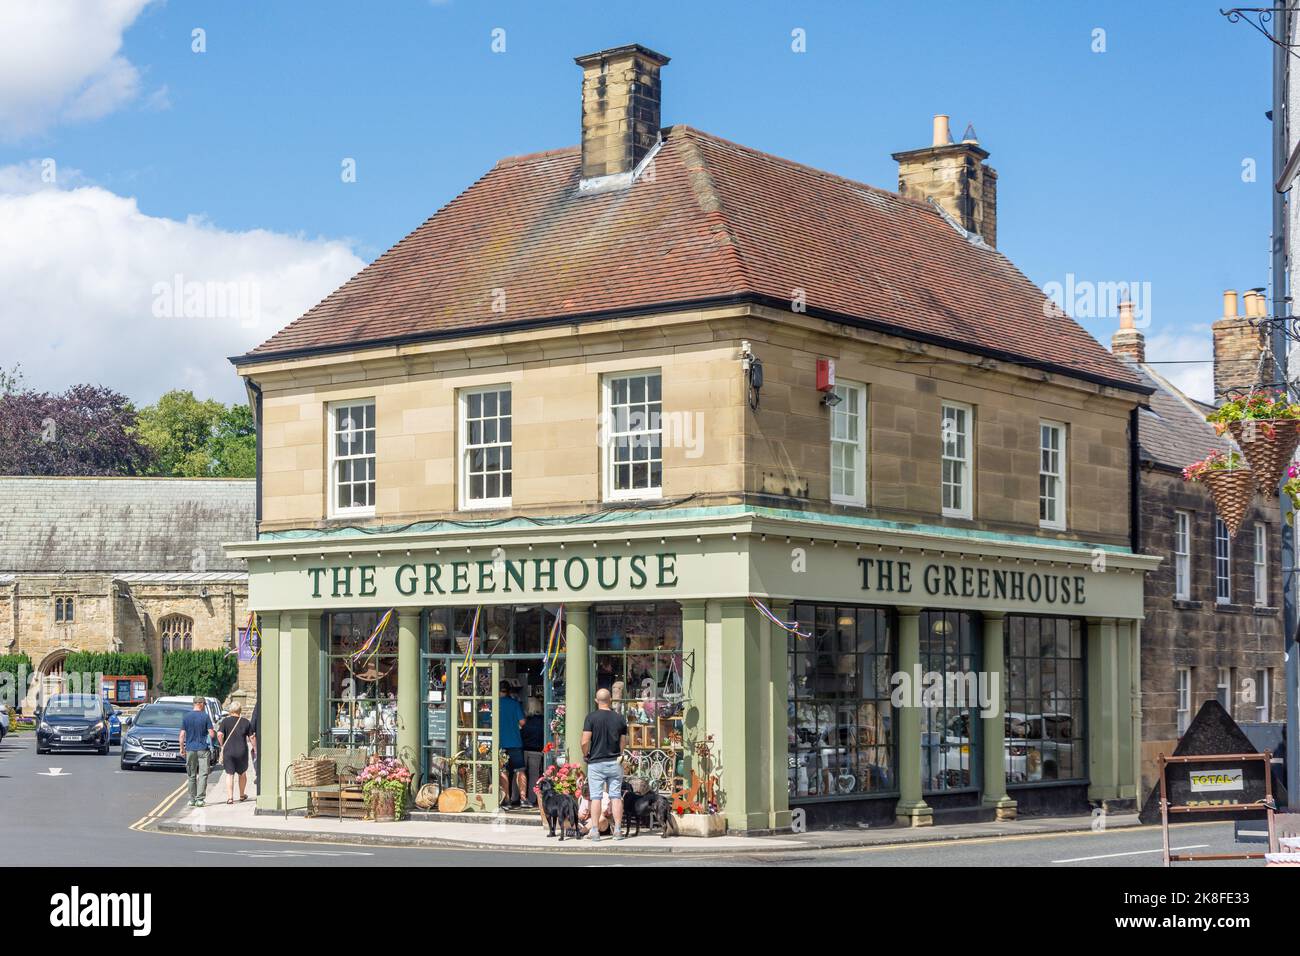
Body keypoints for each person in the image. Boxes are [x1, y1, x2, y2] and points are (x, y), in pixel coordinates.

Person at [581, 688, 628, 842]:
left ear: (596, 701)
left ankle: (595, 831)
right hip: (615, 762)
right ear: (611, 701)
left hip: (596, 762)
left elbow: (585, 741)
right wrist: (620, 754)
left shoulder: (591, 718)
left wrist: (585, 753)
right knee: (615, 796)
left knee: (596, 797)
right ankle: (618, 831)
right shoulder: (619, 718)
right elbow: (623, 742)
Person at [178, 696, 215, 808]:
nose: (204, 706)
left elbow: (182, 735)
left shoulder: (186, 717)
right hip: (203, 749)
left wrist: (181, 748)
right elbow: (212, 734)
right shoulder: (205, 717)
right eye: (204, 704)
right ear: (200, 703)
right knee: (203, 774)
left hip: (190, 749)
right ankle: (200, 800)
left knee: (191, 775)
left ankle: (192, 799)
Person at [217, 701, 256, 804]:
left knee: (229, 774)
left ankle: (230, 798)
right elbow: (252, 737)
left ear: (231, 710)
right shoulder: (245, 722)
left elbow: (220, 734)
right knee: (242, 773)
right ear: (240, 710)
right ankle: (242, 795)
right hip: (241, 751)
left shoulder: (225, 721)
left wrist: (222, 745)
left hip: (228, 751)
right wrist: (255, 748)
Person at [498, 680, 527, 808]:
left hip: (500, 743)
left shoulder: (494, 704)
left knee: (503, 771)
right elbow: (522, 722)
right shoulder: (514, 704)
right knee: (520, 770)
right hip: (515, 741)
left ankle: (506, 799)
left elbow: (486, 722)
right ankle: (523, 799)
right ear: (509, 691)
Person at [521, 697, 545, 807]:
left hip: (524, 749)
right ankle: (532, 798)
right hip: (537, 750)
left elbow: (521, 734)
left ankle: (517, 797)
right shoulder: (543, 720)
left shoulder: (525, 721)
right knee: (534, 776)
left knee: (520, 774)